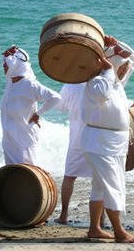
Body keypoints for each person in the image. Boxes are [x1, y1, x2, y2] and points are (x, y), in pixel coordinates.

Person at [81, 35, 134, 243]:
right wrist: (107, 69)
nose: (126, 69)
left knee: (100, 186)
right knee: (112, 185)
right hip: (99, 143)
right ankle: (119, 232)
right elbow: (100, 96)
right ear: (111, 64)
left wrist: (117, 44)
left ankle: (94, 229)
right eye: (121, 66)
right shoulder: (97, 83)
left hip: (113, 144)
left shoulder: (115, 82)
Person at [0, 45, 61, 165]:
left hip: (24, 137)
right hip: (9, 138)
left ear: (16, 66)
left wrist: (38, 114)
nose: (4, 66)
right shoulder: (10, 81)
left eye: (7, 64)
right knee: (12, 173)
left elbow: (55, 97)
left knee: (28, 172)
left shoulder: (30, 84)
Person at [54, 82, 94, 224]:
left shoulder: (70, 85)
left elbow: (60, 107)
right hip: (97, 137)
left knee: (70, 176)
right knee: (99, 179)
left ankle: (64, 215)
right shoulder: (102, 81)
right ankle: (100, 219)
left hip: (77, 138)